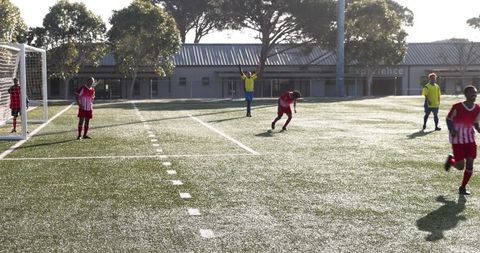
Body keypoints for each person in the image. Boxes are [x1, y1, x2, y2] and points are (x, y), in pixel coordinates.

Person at [444, 85, 480, 195]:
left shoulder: (478, 108)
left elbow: (475, 122)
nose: (474, 94)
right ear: (466, 94)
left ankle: (463, 187)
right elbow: (448, 119)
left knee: (470, 163)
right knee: (460, 167)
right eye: (472, 92)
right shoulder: (457, 106)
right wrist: (452, 129)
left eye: (475, 92)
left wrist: (479, 129)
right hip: (457, 140)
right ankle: (451, 160)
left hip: (470, 139)